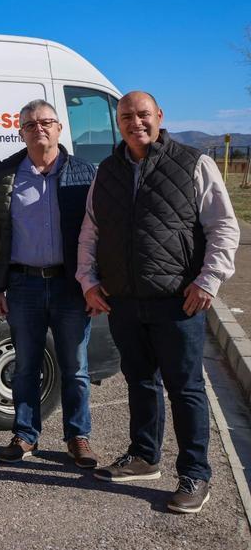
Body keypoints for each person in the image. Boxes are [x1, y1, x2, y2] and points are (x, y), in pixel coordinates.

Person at [78, 91, 239, 514]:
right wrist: (88, 282)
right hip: (125, 301)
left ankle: (194, 474)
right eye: (127, 116)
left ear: (160, 116)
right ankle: (145, 456)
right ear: (118, 122)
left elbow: (223, 226)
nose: (136, 123)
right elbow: (91, 231)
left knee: (186, 390)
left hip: (178, 301)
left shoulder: (193, 163)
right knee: (140, 382)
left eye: (143, 114)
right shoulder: (107, 171)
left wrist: (209, 281)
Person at [0, 100, 99, 468]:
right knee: (25, 367)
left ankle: (78, 437)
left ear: (60, 128)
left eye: (46, 122)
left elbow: (100, 233)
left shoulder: (84, 173)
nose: (39, 129)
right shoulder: (7, 174)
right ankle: (25, 435)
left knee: (75, 368)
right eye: (30, 125)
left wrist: (95, 285)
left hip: (70, 286)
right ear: (21, 132)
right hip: (24, 286)